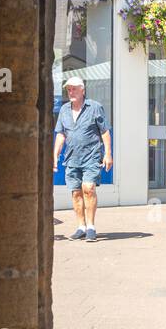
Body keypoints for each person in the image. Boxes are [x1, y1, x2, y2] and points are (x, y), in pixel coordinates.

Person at [53, 75, 113, 242]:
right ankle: (81, 226)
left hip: (92, 156)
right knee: (76, 193)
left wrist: (108, 154)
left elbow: (105, 131)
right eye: (68, 89)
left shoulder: (94, 107)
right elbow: (61, 134)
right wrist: (55, 154)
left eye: (73, 89)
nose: (70, 92)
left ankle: (91, 227)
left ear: (82, 90)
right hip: (71, 158)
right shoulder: (64, 110)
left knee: (88, 188)